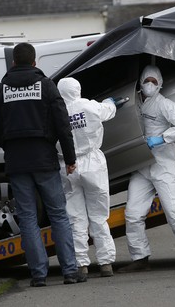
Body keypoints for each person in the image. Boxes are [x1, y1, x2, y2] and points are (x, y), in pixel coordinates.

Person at [0, 42, 85, 287]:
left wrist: (7, 144)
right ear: (34, 62)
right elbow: (63, 124)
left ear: (13, 63)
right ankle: (70, 272)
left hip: (17, 163)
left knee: (28, 218)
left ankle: (38, 275)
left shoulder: (2, 89)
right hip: (44, 159)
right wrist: (70, 158)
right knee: (59, 215)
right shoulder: (46, 86)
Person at [118, 64, 175, 273]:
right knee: (133, 214)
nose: (149, 85)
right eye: (146, 81)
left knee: (173, 212)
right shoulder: (136, 104)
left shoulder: (164, 105)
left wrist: (163, 138)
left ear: (160, 84)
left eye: (153, 81)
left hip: (163, 166)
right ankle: (140, 257)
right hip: (142, 167)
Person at [57, 77, 117, 278]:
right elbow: (109, 110)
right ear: (78, 89)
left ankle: (81, 264)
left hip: (68, 165)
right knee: (99, 215)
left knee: (75, 217)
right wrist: (111, 102)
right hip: (92, 163)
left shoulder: (55, 111)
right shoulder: (89, 106)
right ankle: (106, 262)